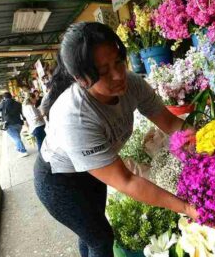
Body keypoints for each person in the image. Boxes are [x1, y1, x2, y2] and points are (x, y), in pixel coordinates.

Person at [34, 22, 198, 257]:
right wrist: (185, 207)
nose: (118, 75)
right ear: (80, 79)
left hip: (92, 172)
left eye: (119, 62)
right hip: (60, 182)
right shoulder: (76, 117)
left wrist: (200, 142)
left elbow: (171, 123)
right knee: (100, 239)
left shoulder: (131, 83)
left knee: (91, 232)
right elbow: (127, 180)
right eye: (103, 72)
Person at [0, 92, 28, 158]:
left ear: (4, 98)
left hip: (9, 124)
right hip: (19, 123)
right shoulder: (18, 103)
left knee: (16, 138)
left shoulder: (3, 103)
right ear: (11, 96)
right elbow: (22, 113)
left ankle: (23, 151)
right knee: (17, 137)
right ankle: (19, 148)